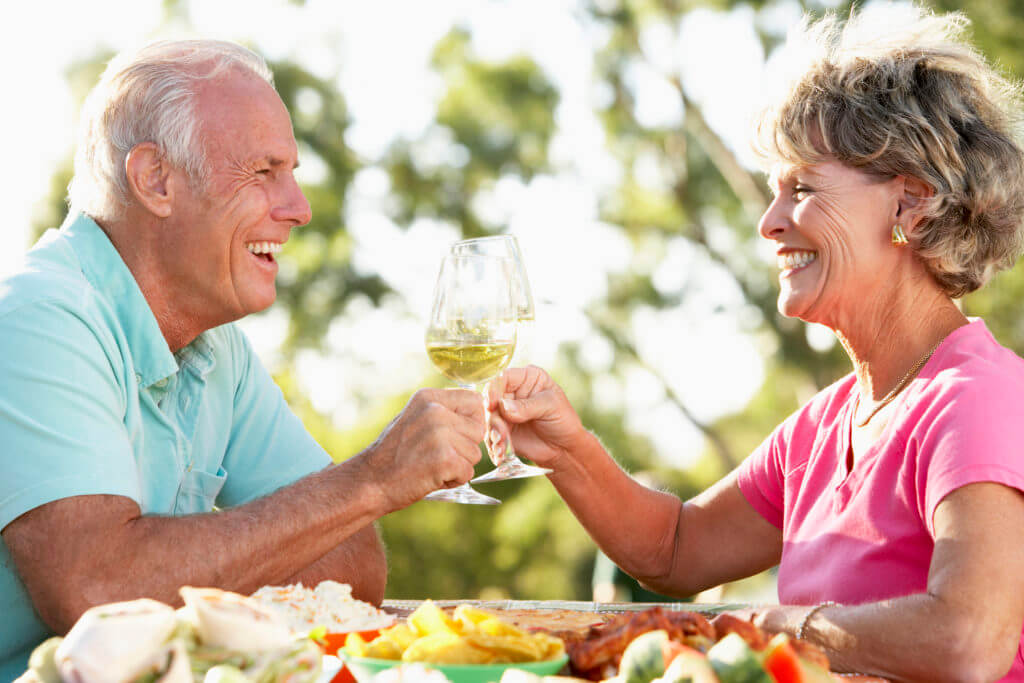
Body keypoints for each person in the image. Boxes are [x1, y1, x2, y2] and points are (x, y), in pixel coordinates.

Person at [488, 5, 1024, 681]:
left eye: (801, 188)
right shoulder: (827, 423)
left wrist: (790, 627)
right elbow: (675, 547)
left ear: (908, 203)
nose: (770, 223)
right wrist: (565, 448)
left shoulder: (978, 401)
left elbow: (968, 640)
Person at [0, 40, 488, 678]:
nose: (299, 208)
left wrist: (179, 566)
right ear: (155, 180)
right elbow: (96, 590)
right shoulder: (40, 318)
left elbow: (352, 566)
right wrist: (370, 479)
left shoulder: (214, 343)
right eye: (263, 172)